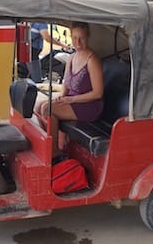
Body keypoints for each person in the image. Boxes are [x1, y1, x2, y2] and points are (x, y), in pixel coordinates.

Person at [35, 22, 104, 156]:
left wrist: (71, 99)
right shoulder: (72, 57)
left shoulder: (92, 59)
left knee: (48, 109)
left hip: (89, 106)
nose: (77, 42)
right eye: (74, 38)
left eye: (81, 38)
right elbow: (66, 83)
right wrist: (61, 97)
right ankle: (50, 144)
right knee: (39, 106)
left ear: (88, 37)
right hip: (73, 101)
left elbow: (98, 93)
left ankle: (54, 152)